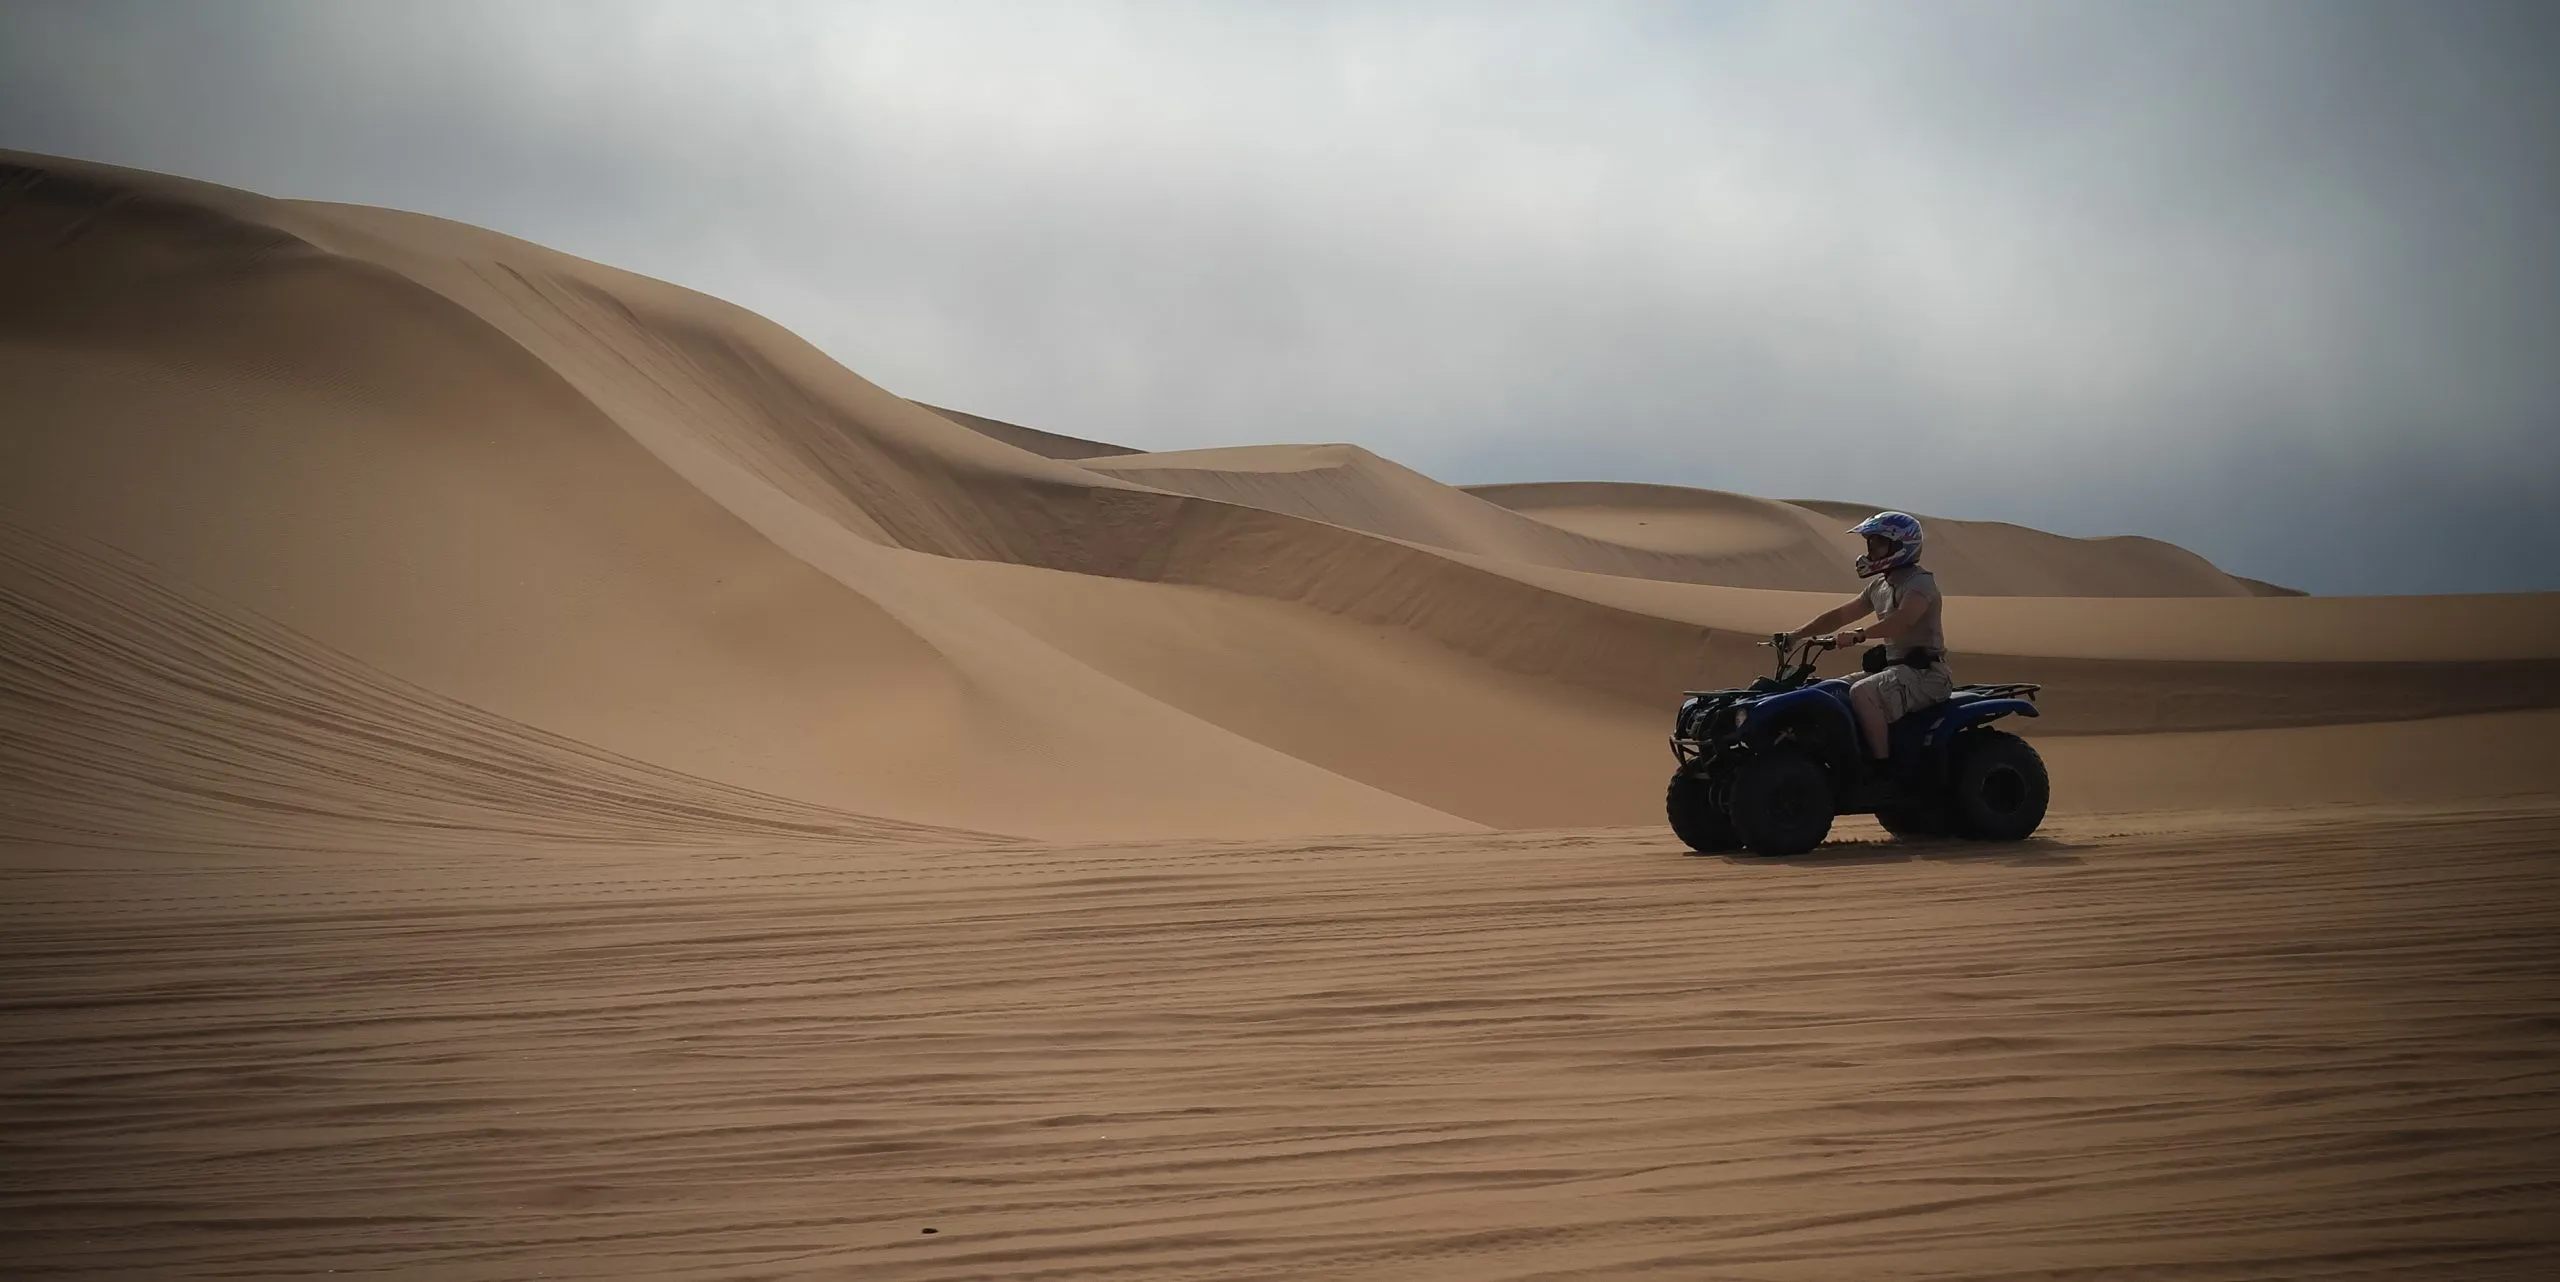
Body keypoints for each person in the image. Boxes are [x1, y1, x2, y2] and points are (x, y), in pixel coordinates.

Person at [1786, 511, 1951, 764]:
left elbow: (1902, 620)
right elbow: (1841, 615)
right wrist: (1796, 635)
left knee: (1863, 693)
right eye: (1870, 543)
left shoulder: (1920, 583)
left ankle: (1881, 767)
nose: (1871, 550)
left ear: (1900, 545)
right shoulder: (1880, 586)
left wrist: (1859, 635)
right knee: (1831, 691)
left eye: (1878, 543)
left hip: (1927, 675)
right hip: (1896, 670)